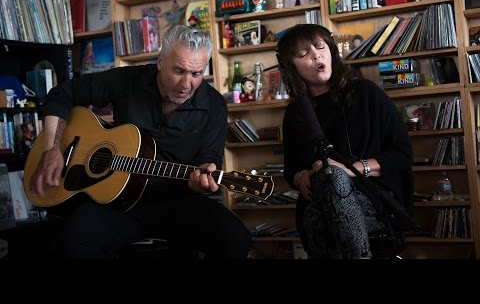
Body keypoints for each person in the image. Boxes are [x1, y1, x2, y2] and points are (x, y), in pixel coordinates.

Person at [28, 24, 252, 259]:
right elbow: (62, 94)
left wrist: (202, 178)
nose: (186, 84)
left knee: (236, 240)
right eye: (178, 71)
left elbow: (209, 158)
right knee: (71, 240)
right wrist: (52, 149)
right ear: (160, 61)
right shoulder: (129, 80)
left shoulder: (214, 105)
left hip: (178, 203)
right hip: (117, 203)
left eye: (196, 74)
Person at [276, 24, 413, 259]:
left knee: (333, 176)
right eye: (303, 54)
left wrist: (349, 170)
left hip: (375, 199)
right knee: (320, 201)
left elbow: (401, 155)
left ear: (331, 51)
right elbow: (291, 172)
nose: (317, 55)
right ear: (291, 66)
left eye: (320, 47)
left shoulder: (367, 93)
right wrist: (302, 177)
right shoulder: (296, 113)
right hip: (318, 204)